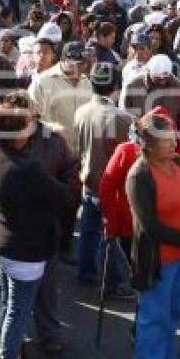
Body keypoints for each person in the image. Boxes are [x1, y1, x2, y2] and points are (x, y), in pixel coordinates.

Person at [0, 102, 69, 359]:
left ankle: (9, 351)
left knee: (8, 303)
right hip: (24, 250)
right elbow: (62, 196)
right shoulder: (26, 167)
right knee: (17, 310)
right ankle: (7, 357)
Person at [126, 112, 180, 359]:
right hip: (158, 262)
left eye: (174, 138)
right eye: (167, 140)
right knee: (153, 321)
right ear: (148, 146)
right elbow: (149, 226)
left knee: (171, 318)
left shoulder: (177, 162)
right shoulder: (138, 176)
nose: (175, 144)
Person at [73, 63, 134, 294]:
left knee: (89, 231)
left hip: (87, 178)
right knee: (110, 236)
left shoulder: (82, 111)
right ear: (116, 87)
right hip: (112, 185)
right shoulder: (121, 118)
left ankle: (85, 273)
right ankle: (112, 283)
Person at [28, 41, 94, 158]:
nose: (80, 68)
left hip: (82, 155)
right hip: (52, 155)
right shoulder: (42, 82)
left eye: (82, 64)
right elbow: (31, 119)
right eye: (75, 64)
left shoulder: (86, 82)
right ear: (63, 60)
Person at [120, 54, 180, 132]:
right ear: (149, 72)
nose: (162, 81)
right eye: (158, 78)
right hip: (141, 136)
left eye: (165, 78)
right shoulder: (133, 86)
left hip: (168, 138)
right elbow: (128, 113)